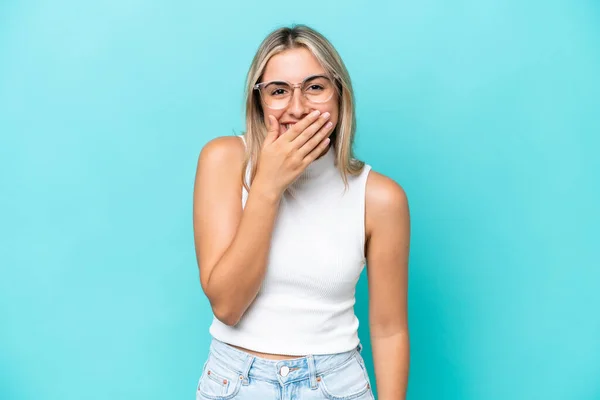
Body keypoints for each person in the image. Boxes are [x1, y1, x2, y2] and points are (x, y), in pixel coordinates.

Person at [192, 24, 410, 400]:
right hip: (235, 383)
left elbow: (390, 330)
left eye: (314, 87)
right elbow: (227, 306)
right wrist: (268, 185)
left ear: (340, 95)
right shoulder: (224, 160)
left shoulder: (380, 198)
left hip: (335, 384)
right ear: (258, 102)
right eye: (278, 91)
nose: (297, 108)